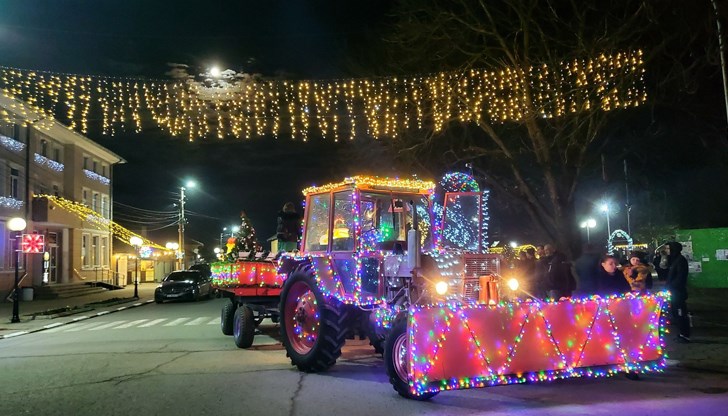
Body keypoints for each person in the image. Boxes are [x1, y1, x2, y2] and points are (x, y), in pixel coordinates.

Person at [666, 241, 691, 343]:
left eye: (668, 249)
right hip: (674, 292)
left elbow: (680, 278)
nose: (667, 251)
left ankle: (685, 335)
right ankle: (681, 333)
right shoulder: (674, 260)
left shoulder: (680, 260)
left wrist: (671, 286)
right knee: (676, 313)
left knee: (681, 314)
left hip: (678, 293)